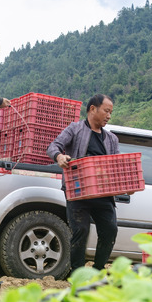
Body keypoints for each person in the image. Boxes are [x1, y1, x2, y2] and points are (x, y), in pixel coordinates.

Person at [46, 94, 119, 272]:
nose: (109, 116)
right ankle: (77, 273)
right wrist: (59, 156)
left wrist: (126, 186)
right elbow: (53, 146)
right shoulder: (75, 129)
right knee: (80, 230)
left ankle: (98, 269)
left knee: (110, 230)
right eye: (106, 111)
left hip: (103, 192)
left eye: (110, 112)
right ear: (92, 109)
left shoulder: (111, 139)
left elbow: (117, 166)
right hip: (78, 191)